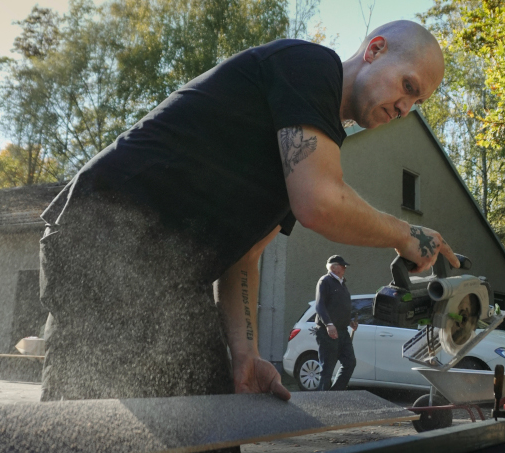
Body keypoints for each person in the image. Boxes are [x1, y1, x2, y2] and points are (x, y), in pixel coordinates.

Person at [38, 19, 460, 408]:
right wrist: (403, 233)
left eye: (416, 101)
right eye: (407, 85)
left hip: (174, 277)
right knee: (90, 424)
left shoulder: (309, 138)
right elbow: (320, 204)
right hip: (103, 238)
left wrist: (246, 355)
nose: (405, 107)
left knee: (212, 426)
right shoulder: (310, 65)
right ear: (375, 49)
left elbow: (246, 255)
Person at [314, 255, 358, 391]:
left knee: (350, 362)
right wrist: (329, 324)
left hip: (342, 331)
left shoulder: (342, 283)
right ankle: (322, 400)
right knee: (327, 368)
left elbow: (338, 306)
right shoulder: (325, 281)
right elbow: (320, 306)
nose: (345, 268)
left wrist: (349, 321)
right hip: (328, 332)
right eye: (342, 265)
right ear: (333, 267)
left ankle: (335, 394)